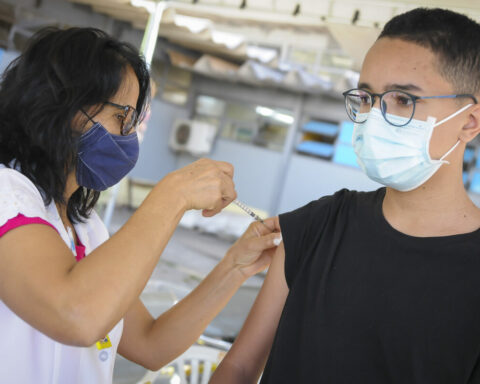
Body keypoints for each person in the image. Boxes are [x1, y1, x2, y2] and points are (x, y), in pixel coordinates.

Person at [210, 7, 480, 384]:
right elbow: (238, 369)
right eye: (368, 97)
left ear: (468, 122)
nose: (374, 116)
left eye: (403, 99)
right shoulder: (319, 225)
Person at [0, 27, 282, 383]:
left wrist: (236, 265)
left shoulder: (86, 229)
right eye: (123, 117)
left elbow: (151, 344)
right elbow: (75, 314)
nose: (129, 137)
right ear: (69, 106)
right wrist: (174, 193)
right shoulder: (6, 193)